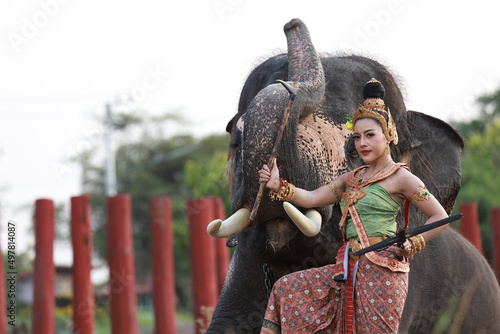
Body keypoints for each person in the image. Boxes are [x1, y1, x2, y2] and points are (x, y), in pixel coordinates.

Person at [258, 78, 449, 333]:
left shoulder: (402, 178)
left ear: (389, 134)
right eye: (357, 137)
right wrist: (279, 186)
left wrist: (412, 243)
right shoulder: (352, 178)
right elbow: (313, 198)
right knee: (286, 288)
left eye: (370, 135)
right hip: (348, 268)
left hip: (384, 271)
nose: (362, 143)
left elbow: (439, 216)